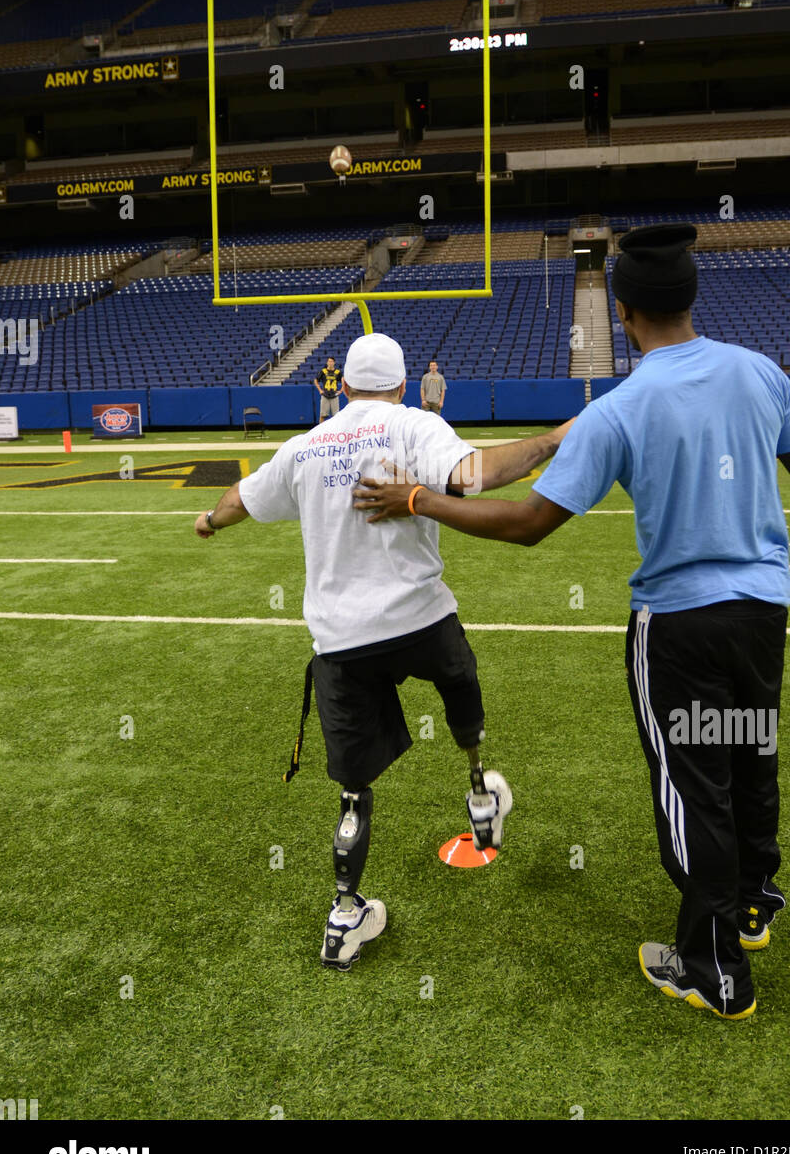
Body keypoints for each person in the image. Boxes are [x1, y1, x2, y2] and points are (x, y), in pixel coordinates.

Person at [354, 224, 790, 1019]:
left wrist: (417, 500)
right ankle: (753, 904)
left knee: (693, 786)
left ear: (622, 315)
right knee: (746, 757)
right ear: (690, 297)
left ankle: (713, 967)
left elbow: (526, 521)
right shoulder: (760, 373)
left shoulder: (620, 407)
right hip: (763, 611)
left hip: (681, 623)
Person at [194, 332, 572, 971]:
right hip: (419, 616)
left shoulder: (306, 446)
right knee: (460, 684)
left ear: (341, 386)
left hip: (342, 637)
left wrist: (208, 520)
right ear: (401, 385)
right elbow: (473, 475)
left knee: (352, 790)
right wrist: (553, 439)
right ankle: (481, 793)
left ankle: (344, 916)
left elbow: (241, 500)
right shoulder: (411, 424)